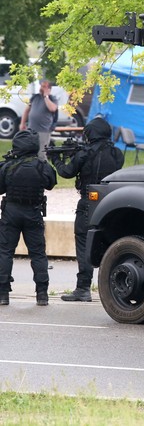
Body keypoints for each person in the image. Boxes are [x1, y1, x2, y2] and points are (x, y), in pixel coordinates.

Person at [51, 117, 124, 302]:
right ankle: (118, 287)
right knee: (113, 245)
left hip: (87, 204)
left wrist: (56, 160)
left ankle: (83, 288)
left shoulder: (85, 153)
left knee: (84, 245)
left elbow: (67, 172)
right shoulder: (116, 153)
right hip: (111, 205)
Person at [0, 129, 57, 306]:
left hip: (11, 212)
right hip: (33, 213)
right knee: (38, 253)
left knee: (5, 252)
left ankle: (3, 294)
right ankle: (42, 294)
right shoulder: (42, 166)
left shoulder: (8, 166)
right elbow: (51, 184)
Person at [20, 79, 59, 160]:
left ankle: (43, 170)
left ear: (49, 89)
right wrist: (22, 123)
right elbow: (27, 110)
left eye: (44, 87)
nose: (41, 88)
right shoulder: (35, 97)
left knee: (41, 154)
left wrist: (46, 96)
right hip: (31, 129)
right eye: (41, 86)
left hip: (44, 130)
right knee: (30, 152)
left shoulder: (52, 98)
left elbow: (52, 109)